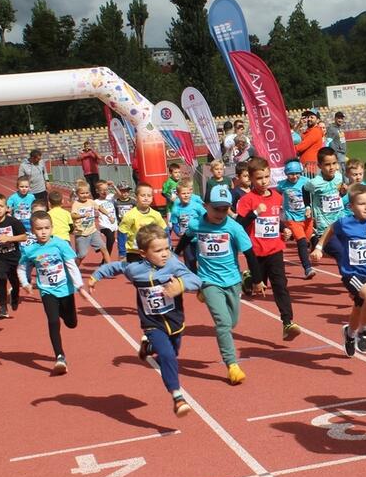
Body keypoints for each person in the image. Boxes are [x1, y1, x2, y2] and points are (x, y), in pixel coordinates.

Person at [89, 224, 202, 417]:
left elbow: (196, 280)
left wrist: (181, 285)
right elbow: (116, 267)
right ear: (143, 253)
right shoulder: (135, 270)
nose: (165, 254)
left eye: (167, 248)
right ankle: (177, 397)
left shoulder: (173, 264)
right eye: (158, 251)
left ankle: (148, 349)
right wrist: (95, 276)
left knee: (172, 353)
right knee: (167, 356)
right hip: (151, 323)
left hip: (174, 320)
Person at [311, 183, 366, 356]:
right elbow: (330, 229)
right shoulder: (345, 223)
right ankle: (364, 332)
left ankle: (350, 334)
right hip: (351, 274)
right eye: (362, 204)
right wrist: (319, 247)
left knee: (359, 308)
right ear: (351, 206)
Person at [185, 184, 260, 385]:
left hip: (233, 280)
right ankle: (232, 365)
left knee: (232, 322)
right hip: (208, 280)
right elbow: (186, 239)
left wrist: (257, 279)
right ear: (205, 205)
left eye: (224, 209)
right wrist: (175, 256)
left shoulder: (234, 227)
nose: (220, 213)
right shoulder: (196, 225)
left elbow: (250, 253)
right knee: (223, 323)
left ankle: (206, 294)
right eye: (215, 208)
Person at [236, 158, 302, 341]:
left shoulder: (276, 197)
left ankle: (287, 322)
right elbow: (239, 224)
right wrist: (255, 212)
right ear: (250, 179)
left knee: (280, 285)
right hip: (255, 251)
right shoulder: (247, 200)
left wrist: (284, 229)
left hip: (274, 249)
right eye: (259, 178)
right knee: (258, 285)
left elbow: (274, 219)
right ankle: (248, 279)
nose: (264, 181)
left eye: (266, 177)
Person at [18, 210, 83, 375]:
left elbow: (71, 264)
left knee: (71, 323)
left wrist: (79, 285)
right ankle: (60, 356)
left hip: (66, 289)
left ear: (52, 228)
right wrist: (25, 283)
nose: (43, 232)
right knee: (53, 322)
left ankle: (63, 312)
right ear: (33, 230)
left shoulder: (60, 244)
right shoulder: (30, 250)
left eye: (46, 228)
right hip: (47, 291)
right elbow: (22, 267)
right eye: (39, 229)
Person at [277, 159, 315, 279]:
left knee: (308, 239)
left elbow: (314, 195)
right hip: (292, 218)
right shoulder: (282, 185)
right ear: (286, 174)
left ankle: (312, 243)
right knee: (302, 242)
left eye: (297, 173)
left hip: (307, 217)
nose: (294, 176)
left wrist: (310, 207)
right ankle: (307, 268)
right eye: (291, 174)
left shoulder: (306, 182)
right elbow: (275, 195)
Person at [304, 148, 345, 250]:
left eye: (334, 163)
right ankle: (316, 241)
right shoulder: (315, 183)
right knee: (340, 252)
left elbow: (339, 194)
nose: (331, 167)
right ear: (319, 166)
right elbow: (304, 189)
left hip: (340, 221)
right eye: (327, 164)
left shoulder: (339, 177)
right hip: (324, 226)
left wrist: (343, 192)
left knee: (347, 252)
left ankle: (316, 244)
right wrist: (307, 207)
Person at [118, 183, 165, 262]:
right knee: (135, 273)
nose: (146, 198)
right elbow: (122, 233)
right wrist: (122, 253)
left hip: (151, 251)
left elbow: (164, 230)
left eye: (149, 196)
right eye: (143, 195)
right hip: (134, 252)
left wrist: (167, 247)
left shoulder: (156, 215)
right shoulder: (130, 215)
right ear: (136, 197)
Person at [71, 181, 109, 266]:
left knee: (104, 248)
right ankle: (74, 269)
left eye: (87, 193)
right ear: (77, 194)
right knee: (82, 255)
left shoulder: (91, 202)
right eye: (82, 193)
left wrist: (108, 214)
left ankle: (110, 268)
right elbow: (73, 215)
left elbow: (99, 207)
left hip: (93, 231)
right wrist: (82, 215)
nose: (85, 195)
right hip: (81, 234)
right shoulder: (76, 204)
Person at [94, 180, 119, 258]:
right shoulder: (96, 201)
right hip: (104, 224)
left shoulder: (110, 197)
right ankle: (100, 247)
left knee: (111, 241)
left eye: (106, 190)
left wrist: (113, 186)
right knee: (110, 238)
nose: (104, 192)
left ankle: (105, 259)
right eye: (102, 190)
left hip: (113, 223)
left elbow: (119, 194)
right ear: (97, 191)